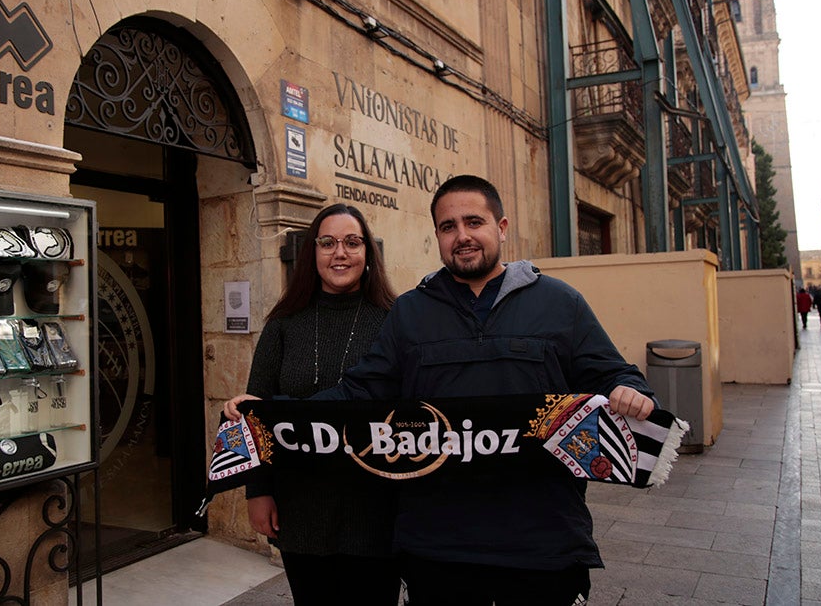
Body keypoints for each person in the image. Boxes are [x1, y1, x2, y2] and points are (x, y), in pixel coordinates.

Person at [228, 175, 656, 606]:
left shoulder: (561, 303)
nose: (462, 236)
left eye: (474, 222)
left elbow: (612, 373)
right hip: (438, 546)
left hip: (541, 542)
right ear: (436, 235)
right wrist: (272, 416)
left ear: (502, 227)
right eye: (448, 226)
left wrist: (630, 389)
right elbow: (357, 395)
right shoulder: (410, 313)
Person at [236, 203, 401, 605]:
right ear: (312, 253)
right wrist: (257, 491)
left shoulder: (396, 321)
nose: (339, 253)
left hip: (376, 508)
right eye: (327, 243)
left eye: (352, 242)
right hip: (301, 505)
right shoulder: (283, 324)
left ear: (368, 254)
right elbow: (256, 413)